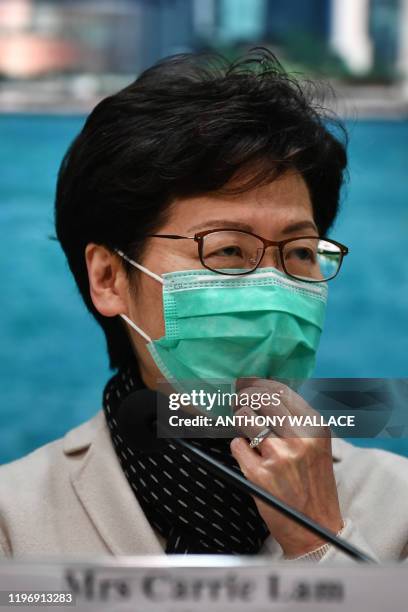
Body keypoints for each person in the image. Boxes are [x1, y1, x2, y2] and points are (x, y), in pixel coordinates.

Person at [1, 49, 407, 563]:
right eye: (228, 251)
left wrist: (320, 539)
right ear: (109, 278)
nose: (272, 288)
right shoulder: (14, 522)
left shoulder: (398, 508)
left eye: (300, 252)